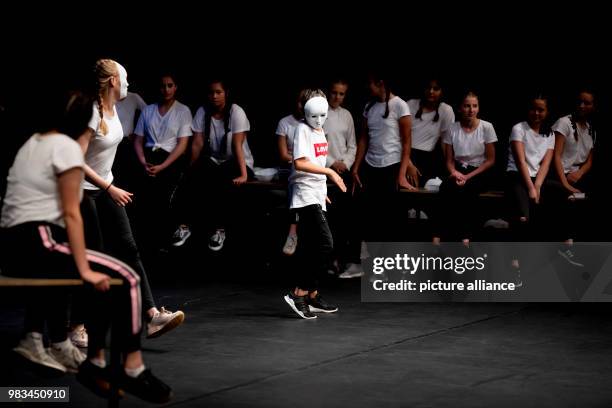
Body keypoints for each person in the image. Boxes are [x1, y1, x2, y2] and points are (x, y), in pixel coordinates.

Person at [0, 90, 172, 402]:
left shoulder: (34, 142)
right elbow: (70, 213)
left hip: (15, 247)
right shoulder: (64, 146)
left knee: (83, 273)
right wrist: (84, 267)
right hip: (35, 242)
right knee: (124, 275)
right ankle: (130, 367)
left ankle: (46, 340)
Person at [77, 59, 184, 342]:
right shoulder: (90, 112)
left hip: (105, 187)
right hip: (82, 192)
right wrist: (108, 187)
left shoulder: (116, 109)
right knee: (94, 258)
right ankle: (76, 326)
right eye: (124, 78)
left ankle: (152, 316)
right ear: (112, 81)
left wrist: (108, 185)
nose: (127, 83)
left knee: (129, 248)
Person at [283, 89, 347, 319]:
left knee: (313, 246)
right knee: (324, 244)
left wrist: (322, 190)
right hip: (304, 195)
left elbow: (315, 163)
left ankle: (311, 295)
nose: (318, 119)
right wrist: (329, 172)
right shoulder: (302, 129)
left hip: (316, 194)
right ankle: (298, 292)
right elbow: (300, 163)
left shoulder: (320, 131)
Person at [172, 79, 254, 251]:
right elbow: (197, 144)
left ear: (226, 93)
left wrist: (244, 174)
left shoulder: (235, 111)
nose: (214, 96)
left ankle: (219, 230)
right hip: (215, 161)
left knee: (221, 179)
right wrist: (190, 169)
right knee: (193, 177)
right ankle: (185, 227)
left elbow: (237, 144)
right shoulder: (203, 111)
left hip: (239, 162)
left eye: (219, 92)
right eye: (211, 93)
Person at [351, 74, 416, 242]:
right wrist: (356, 167)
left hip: (391, 164)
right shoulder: (369, 106)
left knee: (390, 216)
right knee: (370, 214)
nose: (367, 87)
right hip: (370, 164)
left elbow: (407, 142)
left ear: (380, 83)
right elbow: (364, 138)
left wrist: (401, 174)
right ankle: (369, 261)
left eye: (370, 84)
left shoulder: (400, 105)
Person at [133, 73, 192, 248]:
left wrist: (162, 167)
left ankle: (165, 238)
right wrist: (143, 162)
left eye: (170, 85)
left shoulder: (183, 111)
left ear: (176, 87)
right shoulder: (148, 110)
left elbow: (182, 145)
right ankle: (146, 239)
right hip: (149, 156)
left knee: (164, 197)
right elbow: (138, 140)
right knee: (145, 198)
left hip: (171, 158)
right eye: (163, 86)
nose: (166, 89)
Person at [432, 91, 497, 245]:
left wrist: (467, 177)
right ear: (460, 108)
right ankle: (438, 234)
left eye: (474, 106)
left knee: (467, 190)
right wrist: (455, 172)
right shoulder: (452, 128)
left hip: (479, 170)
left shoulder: (486, 127)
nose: (471, 110)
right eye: (467, 106)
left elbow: (490, 160)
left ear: (478, 108)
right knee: (446, 188)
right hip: (459, 169)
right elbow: (449, 160)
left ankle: (465, 235)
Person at [505, 95, 555, 286]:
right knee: (523, 217)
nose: (537, 113)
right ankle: (515, 267)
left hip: (537, 178)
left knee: (563, 198)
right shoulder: (519, 129)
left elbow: (546, 163)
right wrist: (531, 188)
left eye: (541, 110)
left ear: (547, 112)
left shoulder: (549, 133)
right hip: (517, 175)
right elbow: (520, 161)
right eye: (533, 109)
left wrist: (539, 186)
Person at [549, 89, 597, 266]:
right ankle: (566, 245)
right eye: (580, 102)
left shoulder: (592, 129)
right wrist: (565, 183)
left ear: (594, 106)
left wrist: (580, 173)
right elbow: (555, 155)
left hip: (578, 174)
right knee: (570, 197)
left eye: (587, 103)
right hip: (558, 173)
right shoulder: (565, 122)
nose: (582, 106)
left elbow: (589, 160)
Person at [321, 80, 361, 278]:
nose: (337, 97)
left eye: (341, 94)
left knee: (343, 220)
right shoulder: (320, 113)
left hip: (343, 173)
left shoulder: (347, 116)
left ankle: (340, 259)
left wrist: (345, 162)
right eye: (334, 93)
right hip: (325, 172)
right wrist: (331, 163)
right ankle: (327, 260)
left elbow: (352, 145)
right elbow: (316, 143)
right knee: (326, 219)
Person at [407, 78, 455, 185]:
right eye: (428, 88)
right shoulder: (411, 104)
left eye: (436, 89)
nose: (431, 92)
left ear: (442, 91)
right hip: (406, 155)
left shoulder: (446, 110)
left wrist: (451, 169)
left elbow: (445, 143)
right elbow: (400, 138)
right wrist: (408, 163)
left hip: (428, 159)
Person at [276, 89, 306, 256]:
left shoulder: (314, 123)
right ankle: (292, 232)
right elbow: (282, 154)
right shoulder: (284, 122)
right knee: (296, 181)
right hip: (287, 169)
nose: (302, 106)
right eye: (300, 102)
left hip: (307, 170)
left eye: (305, 102)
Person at [114, 91, 147, 190]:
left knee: (126, 178)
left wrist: (139, 132)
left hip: (126, 143)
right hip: (111, 141)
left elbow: (149, 113)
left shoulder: (133, 97)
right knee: (112, 176)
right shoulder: (108, 96)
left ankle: (124, 202)